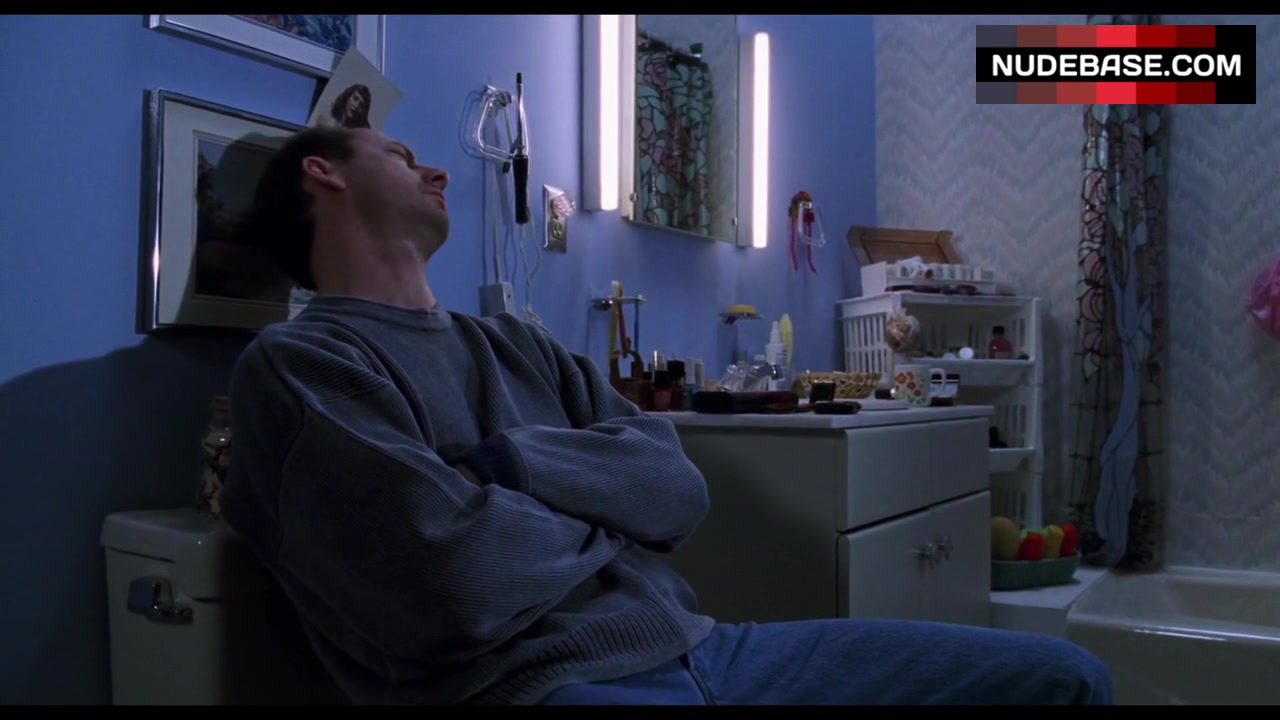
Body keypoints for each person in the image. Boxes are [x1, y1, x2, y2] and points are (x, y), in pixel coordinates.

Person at [220, 125, 1115, 706]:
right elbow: (454, 582)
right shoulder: (303, 367)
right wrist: (607, 520)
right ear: (322, 173)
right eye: (399, 153)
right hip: (542, 686)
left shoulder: (516, 345)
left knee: (1066, 681)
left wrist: (506, 469)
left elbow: (677, 493)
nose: (437, 167)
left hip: (705, 650)